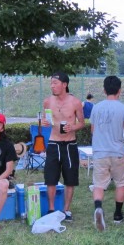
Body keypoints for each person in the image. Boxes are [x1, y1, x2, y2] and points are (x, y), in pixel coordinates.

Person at [90, 76, 124, 231]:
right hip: (117, 152)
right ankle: (117, 215)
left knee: (99, 184)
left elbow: (92, 130)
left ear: (104, 90)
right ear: (119, 91)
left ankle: (98, 208)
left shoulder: (96, 108)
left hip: (100, 152)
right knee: (121, 183)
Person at [42, 72, 85, 221]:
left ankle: (66, 210)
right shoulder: (48, 102)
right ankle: (51, 209)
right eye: (51, 83)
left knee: (70, 179)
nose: (52, 86)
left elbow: (82, 123)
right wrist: (44, 122)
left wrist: (72, 127)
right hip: (53, 143)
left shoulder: (75, 102)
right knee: (51, 178)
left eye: (55, 83)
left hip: (69, 144)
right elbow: (46, 120)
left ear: (64, 84)